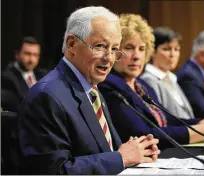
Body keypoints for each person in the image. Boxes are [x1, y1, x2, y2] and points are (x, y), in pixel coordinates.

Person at [12, 6, 160, 175]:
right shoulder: (47, 96)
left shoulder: (92, 89)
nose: (109, 58)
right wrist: (120, 158)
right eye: (100, 46)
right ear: (72, 44)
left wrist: (137, 150)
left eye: (114, 49)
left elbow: (102, 151)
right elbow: (55, 171)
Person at [98, 14, 204, 150]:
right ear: (114, 51)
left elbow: (169, 121)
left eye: (141, 49)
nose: (136, 56)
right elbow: (143, 134)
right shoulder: (109, 84)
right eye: (129, 48)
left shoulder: (141, 85)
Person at [1, 36, 47, 112]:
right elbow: (19, 106)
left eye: (35, 55)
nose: (31, 59)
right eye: (27, 54)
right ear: (17, 54)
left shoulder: (43, 75)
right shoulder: (7, 77)